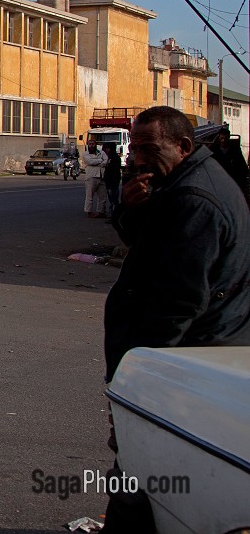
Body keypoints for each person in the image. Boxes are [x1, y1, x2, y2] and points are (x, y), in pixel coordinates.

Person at [101, 106, 250, 531]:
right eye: (136, 148)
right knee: (143, 473)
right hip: (189, 358)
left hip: (188, 360)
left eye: (150, 148)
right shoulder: (177, 186)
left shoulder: (195, 201)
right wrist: (131, 208)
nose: (139, 158)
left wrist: (142, 376)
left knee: (143, 473)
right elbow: (146, 243)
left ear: (182, 146)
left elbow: (175, 303)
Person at [83, 141, 108, 218]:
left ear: (96, 145)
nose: (91, 146)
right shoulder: (86, 154)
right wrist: (100, 160)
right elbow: (90, 162)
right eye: (90, 144)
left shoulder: (101, 152)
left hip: (101, 176)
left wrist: (99, 161)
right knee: (89, 196)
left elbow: (106, 160)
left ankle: (101, 211)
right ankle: (89, 211)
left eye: (93, 144)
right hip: (91, 177)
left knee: (103, 196)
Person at [102, 143, 122, 213]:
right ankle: (113, 211)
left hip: (113, 180)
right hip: (109, 180)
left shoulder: (115, 157)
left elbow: (114, 170)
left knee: (113, 197)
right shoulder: (109, 157)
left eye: (108, 148)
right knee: (111, 197)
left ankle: (115, 212)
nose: (106, 150)